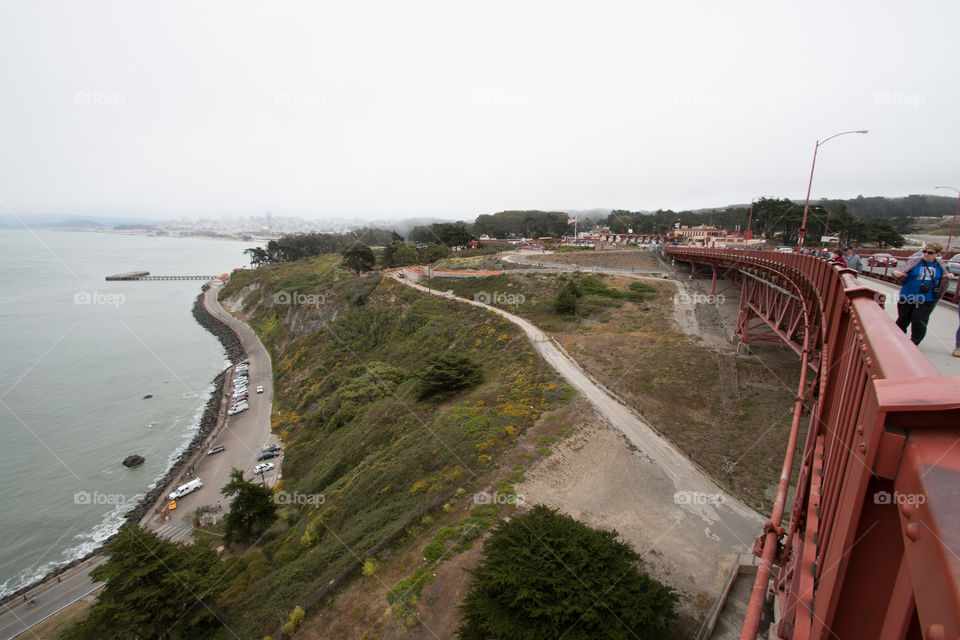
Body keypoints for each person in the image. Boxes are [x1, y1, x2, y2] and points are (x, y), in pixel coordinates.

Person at [892, 243, 956, 345]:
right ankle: (898, 340)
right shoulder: (914, 262)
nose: (926, 254)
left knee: (919, 321)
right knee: (902, 320)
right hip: (908, 295)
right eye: (924, 252)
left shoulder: (940, 265)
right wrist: (897, 274)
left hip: (927, 298)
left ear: (937, 254)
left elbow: (944, 278)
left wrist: (948, 276)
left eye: (930, 253)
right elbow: (899, 271)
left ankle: (914, 343)